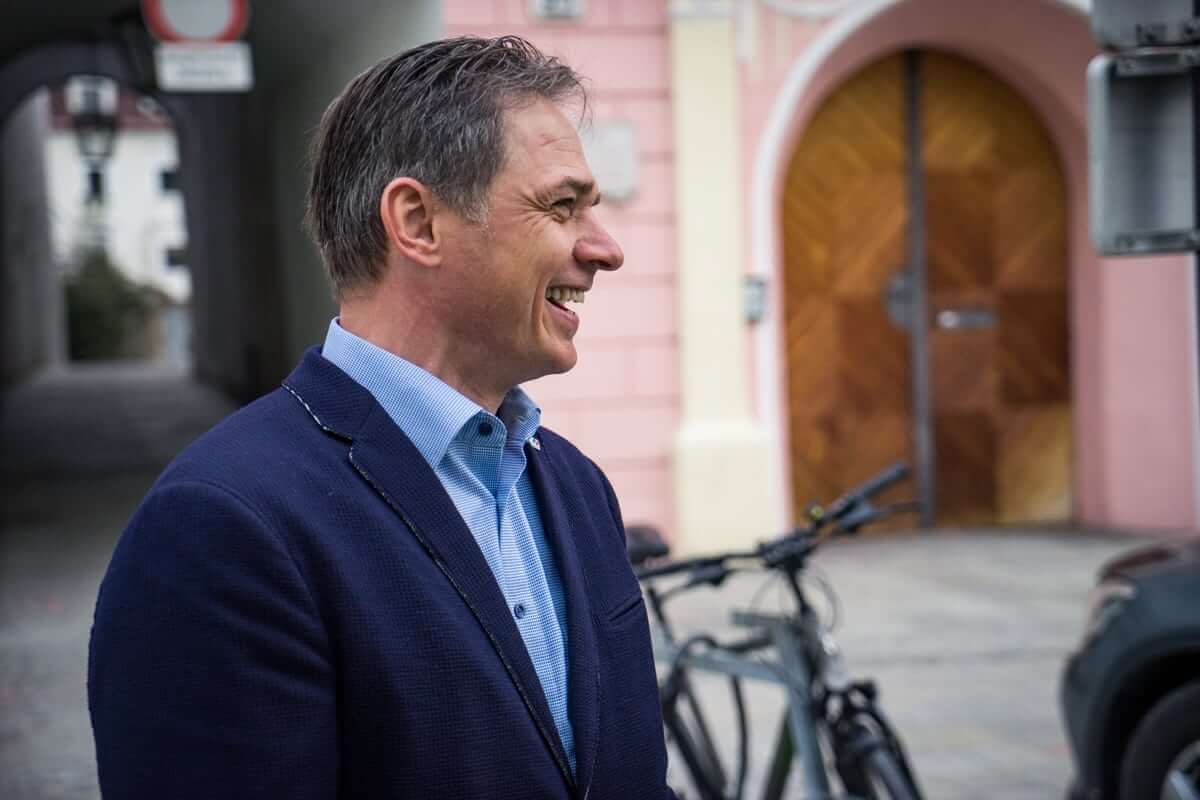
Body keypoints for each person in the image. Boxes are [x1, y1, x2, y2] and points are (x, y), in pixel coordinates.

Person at [88, 36, 672, 799]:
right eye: (562, 206)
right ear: (417, 223)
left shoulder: (577, 486)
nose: (606, 249)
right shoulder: (220, 528)